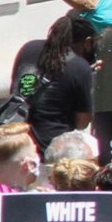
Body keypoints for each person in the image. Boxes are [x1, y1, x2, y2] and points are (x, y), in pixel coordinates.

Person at [9, 10, 94, 156]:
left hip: (17, 143)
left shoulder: (28, 48)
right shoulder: (80, 68)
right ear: (87, 41)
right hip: (51, 150)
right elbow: (82, 123)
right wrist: (87, 79)